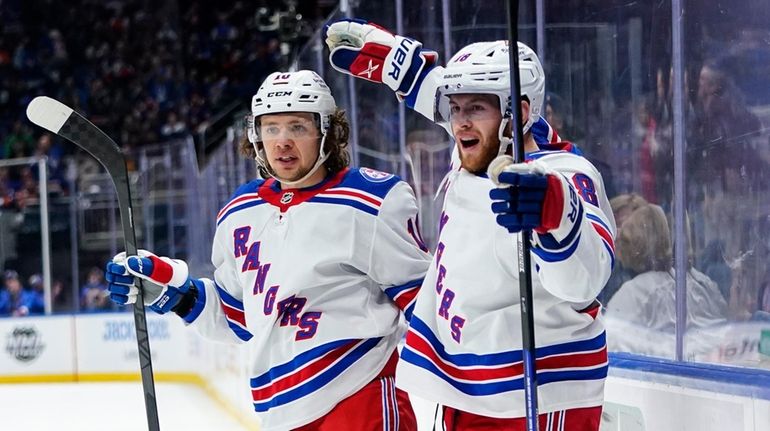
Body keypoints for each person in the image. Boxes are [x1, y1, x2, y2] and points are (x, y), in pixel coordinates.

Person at [325, 20, 616, 430]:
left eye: (475, 108)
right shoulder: (481, 146)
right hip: (469, 389)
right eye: (455, 108)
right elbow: (442, 96)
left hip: (538, 394)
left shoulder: (564, 174)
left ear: (521, 113)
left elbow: (586, 279)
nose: (459, 122)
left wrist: (554, 211)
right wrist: (396, 61)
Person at [105, 70, 431, 431]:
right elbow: (239, 316)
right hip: (279, 413)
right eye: (271, 128)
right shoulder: (240, 210)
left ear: (328, 132)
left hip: (359, 398)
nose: (282, 142)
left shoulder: (371, 201)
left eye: (298, 127)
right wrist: (173, 291)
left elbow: (426, 305)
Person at [606, 203, 726, 332]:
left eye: (623, 239)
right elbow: (723, 320)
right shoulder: (702, 283)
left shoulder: (634, 293)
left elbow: (613, 340)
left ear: (633, 245)